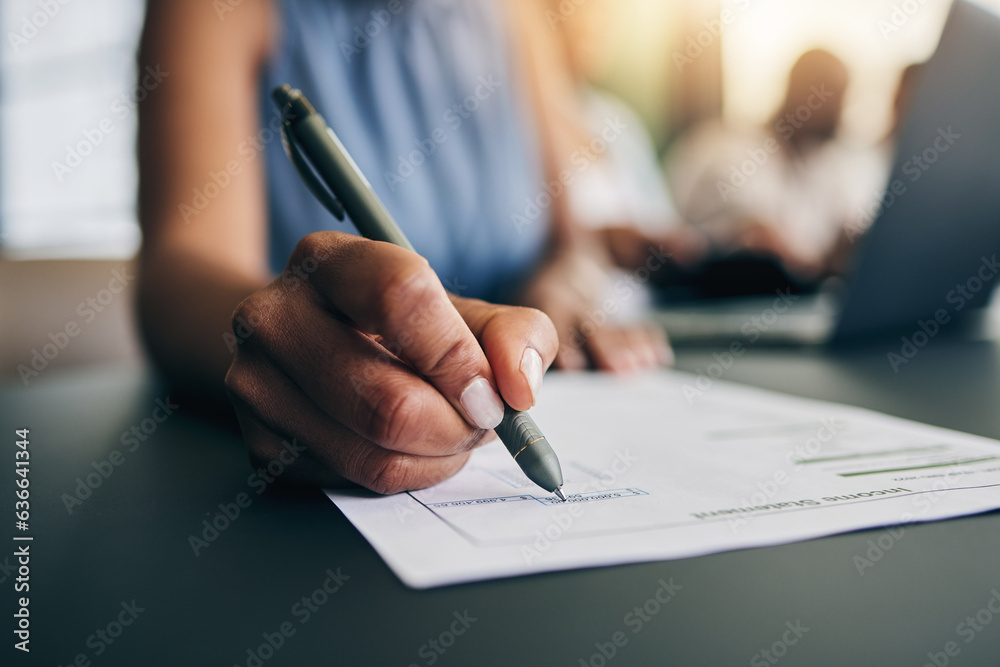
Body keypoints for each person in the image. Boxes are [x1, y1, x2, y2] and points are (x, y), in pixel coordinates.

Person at [136, 0, 669, 495]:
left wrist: (559, 286)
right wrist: (287, 338)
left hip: (546, 395)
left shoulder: (517, 10)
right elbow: (178, 275)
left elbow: (569, 243)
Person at [667, 49, 884, 282]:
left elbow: (845, 234)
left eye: (841, 98)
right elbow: (759, 235)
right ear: (799, 91)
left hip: (792, 298)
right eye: (828, 95)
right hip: (720, 298)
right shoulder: (733, 148)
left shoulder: (825, 164)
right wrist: (819, 267)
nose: (837, 110)